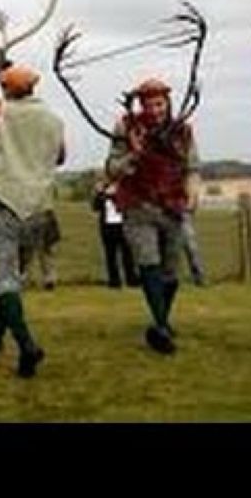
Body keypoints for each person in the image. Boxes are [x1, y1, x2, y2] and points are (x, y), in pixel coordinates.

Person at [0, 46, 66, 378]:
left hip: (4, 204)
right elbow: (60, 157)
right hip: (37, 210)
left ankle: (26, 346)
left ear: (6, 89)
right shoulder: (54, 120)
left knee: (2, 280)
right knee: (13, 279)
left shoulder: (3, 113)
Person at [105, 77, 201, 355]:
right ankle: (160, 326)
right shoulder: (126, 128)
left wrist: (192, 192)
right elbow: (112, 168)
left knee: (171, 271)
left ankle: (161, 321)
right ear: (140, 105)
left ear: (167, 103)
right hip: (137, 205)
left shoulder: (182, 130)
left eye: (159, 104)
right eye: (148, 105)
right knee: (148, 263)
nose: (154, 110)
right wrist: (133, 155)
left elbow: (192, 167)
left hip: (172, 205)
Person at [91, 181, 139, 288]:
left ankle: (131, 278)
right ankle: (114, 280)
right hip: (107, 227)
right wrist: (100, 194)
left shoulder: (124, 188)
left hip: (123, 225)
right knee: (110, 255)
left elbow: (130, 203)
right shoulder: (103, 190)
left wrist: (115, 194)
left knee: (127, 254)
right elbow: (95, 207)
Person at [19, 209, 61, 290]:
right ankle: (48, 279)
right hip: (33, 218)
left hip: (31, 218)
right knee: (37, 254)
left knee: (32, 254)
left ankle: (25, 279)